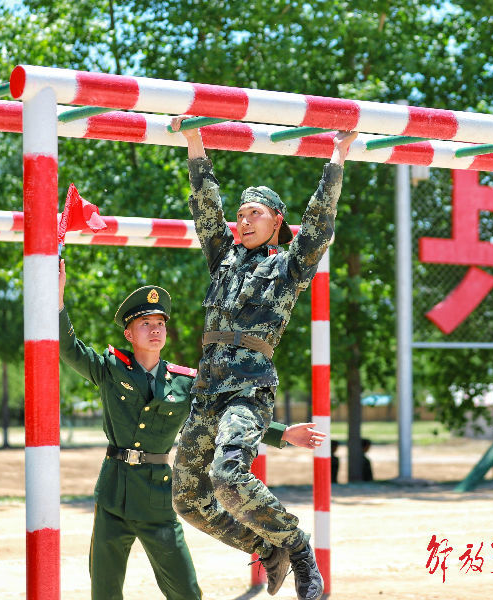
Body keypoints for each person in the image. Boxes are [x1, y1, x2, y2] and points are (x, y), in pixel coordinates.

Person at [57, 260, 325, 600]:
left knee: (184, 590)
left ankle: (278, 551)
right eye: (145, 324)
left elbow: (223, 412)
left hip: (157, 498)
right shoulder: (111, 369)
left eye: (159, 323)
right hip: (113, 494)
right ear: (128, 334)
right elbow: (69, 349)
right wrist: (58, 301)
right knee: (104, 590)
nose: (155, 329)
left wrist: (282, 433)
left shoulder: (184, 383)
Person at [170, 115, 357, 600]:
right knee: (187, 500)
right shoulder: (223, 257)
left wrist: (337, 156)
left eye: (254, 213)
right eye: (241, 213)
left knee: (228, 475)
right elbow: (205, 206)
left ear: (276, 222)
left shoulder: (288, 266)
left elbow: (319, 223)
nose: (243, 220)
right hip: (207, 393)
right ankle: (265, 548)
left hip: (247, 391)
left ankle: (295, 547)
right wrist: (194, 140)